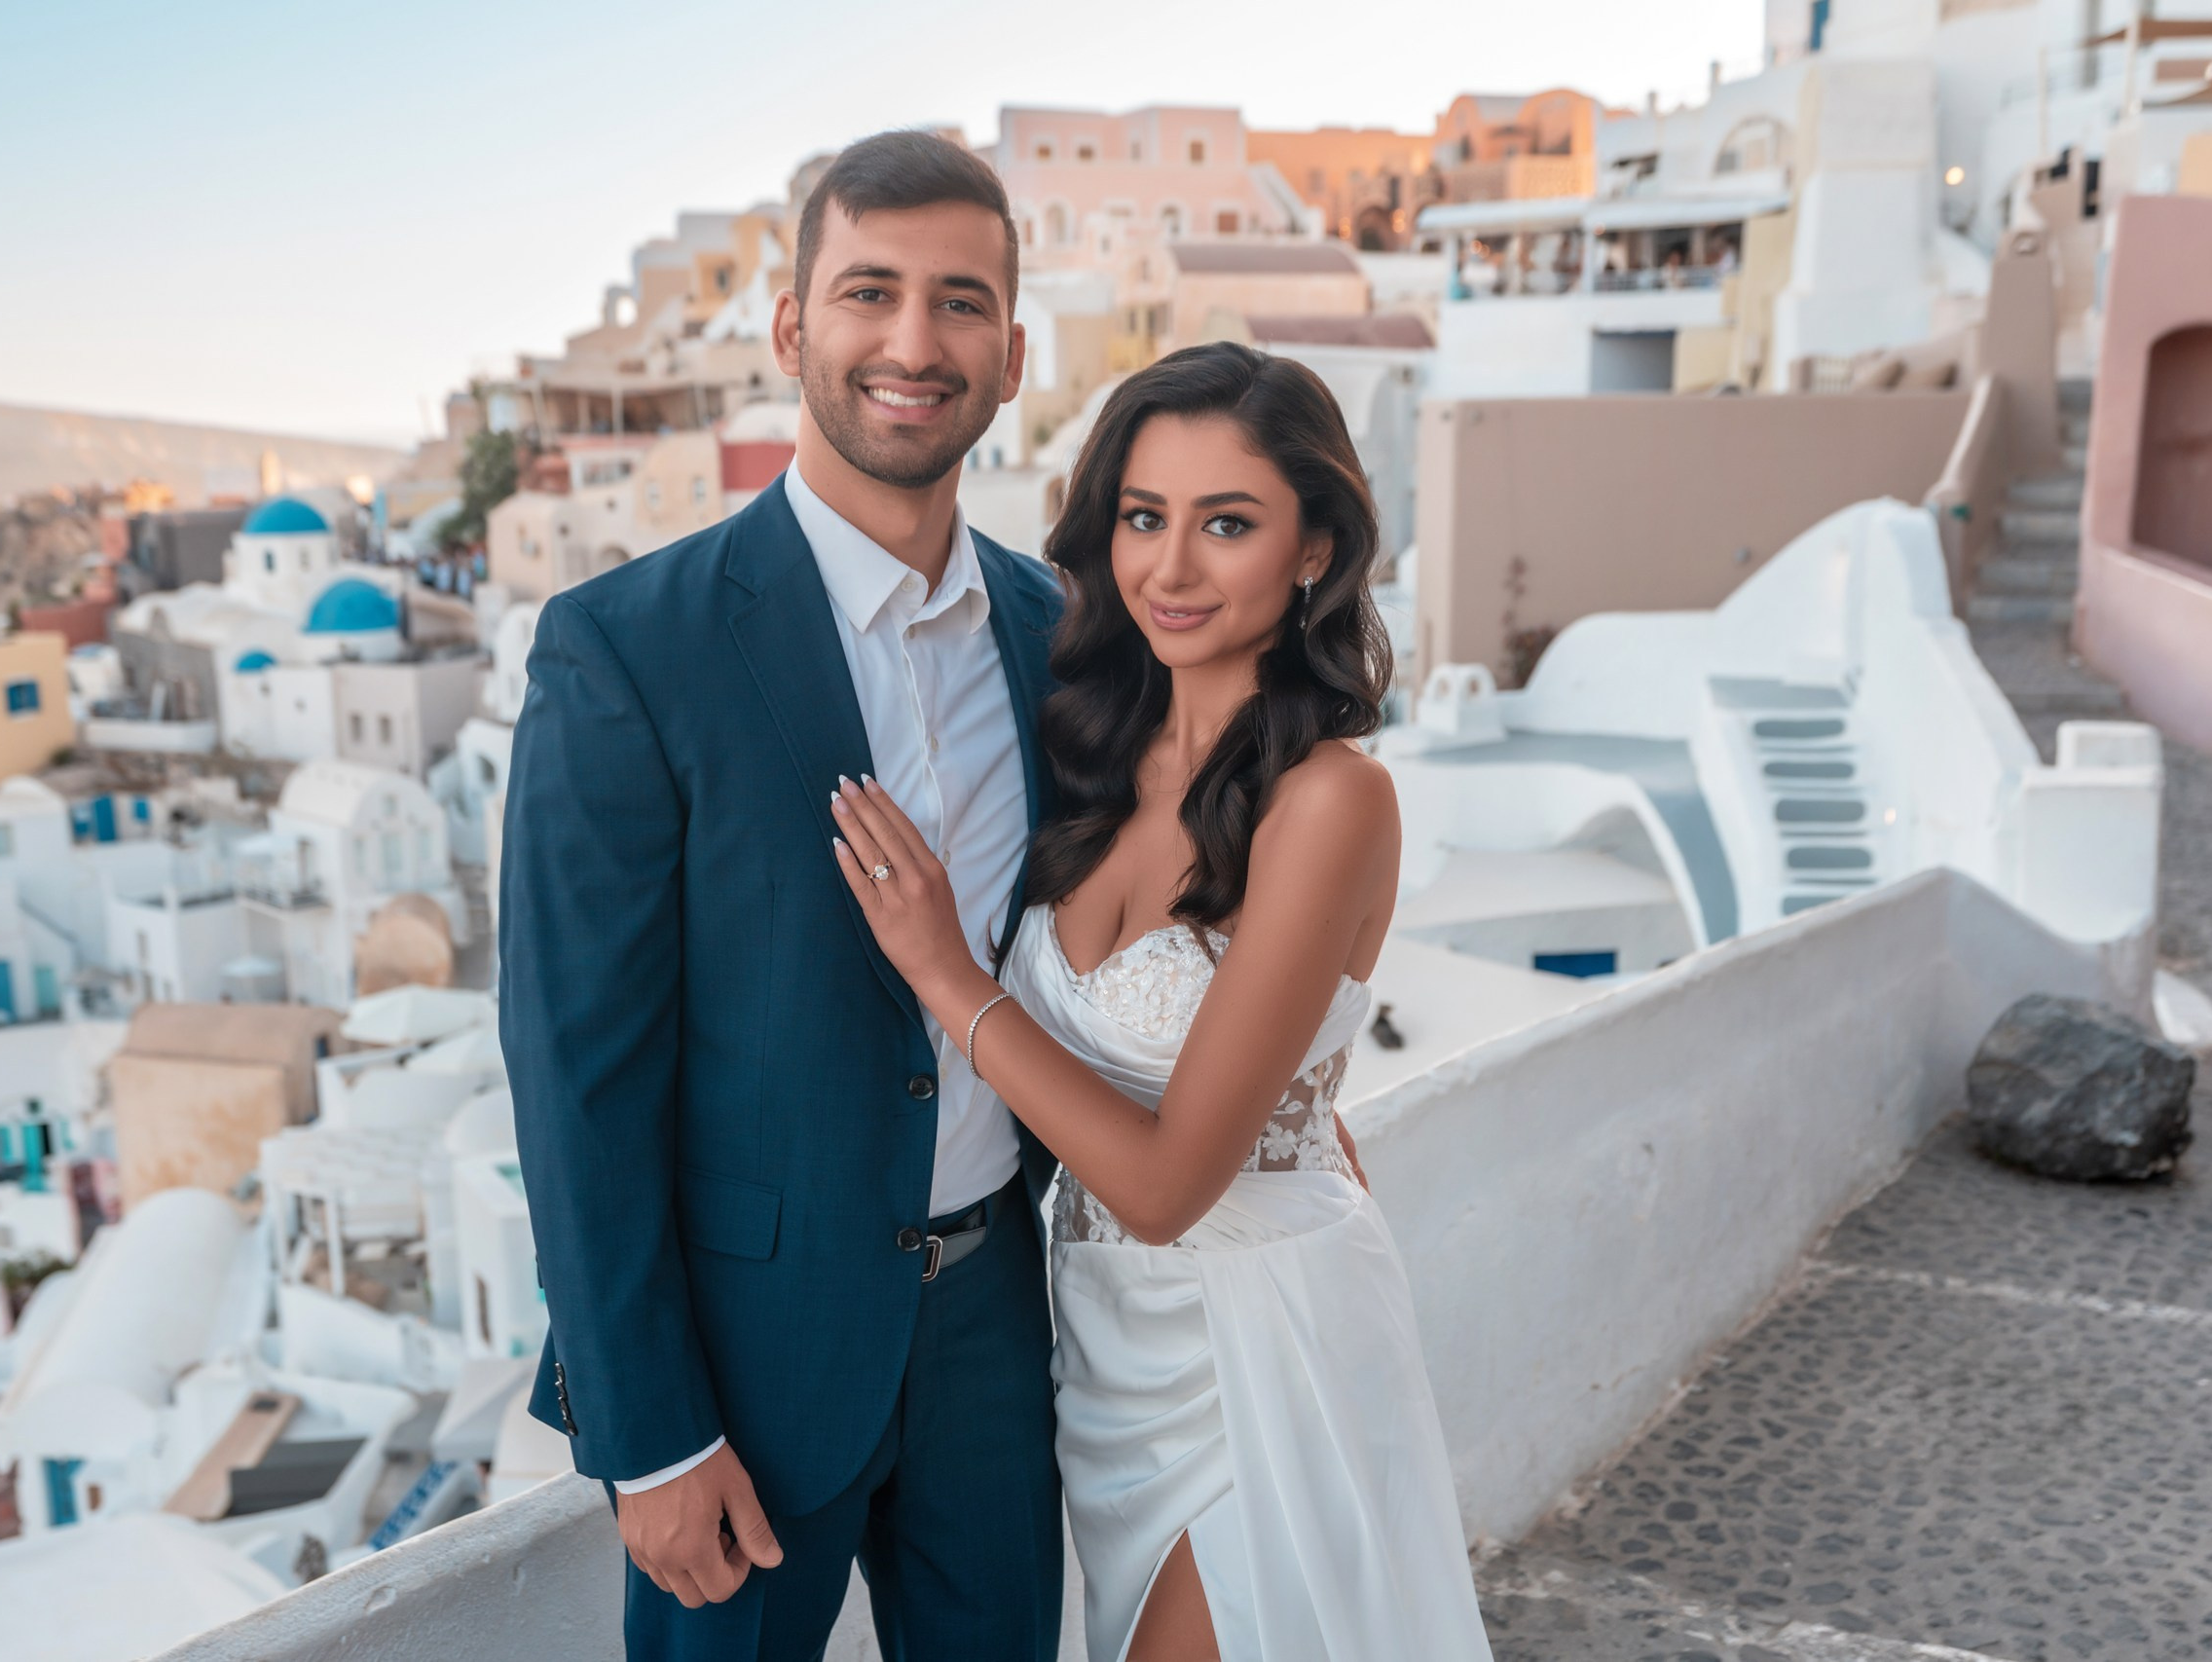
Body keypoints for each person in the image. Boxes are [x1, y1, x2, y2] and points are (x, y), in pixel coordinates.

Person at [829, 341, 1490, 1662]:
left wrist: (949, 978)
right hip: (1095, 1349)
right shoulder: (1091, 757)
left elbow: (1168, 1185)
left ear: (1314, 550)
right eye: (1142, 518)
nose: (1170, 570)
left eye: (1227, 525)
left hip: (1258, 1341)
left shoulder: (1333, 800)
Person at [499, 130, 1066, 1660]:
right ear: (791, 328)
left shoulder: (1058, 632)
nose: (911, 341)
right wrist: (648, 1434)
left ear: (1011, 355)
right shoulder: (626, 649)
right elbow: (577, 1078)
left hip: (997, 1338)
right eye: (868, 291)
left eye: (960, 304)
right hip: (738, 1375)